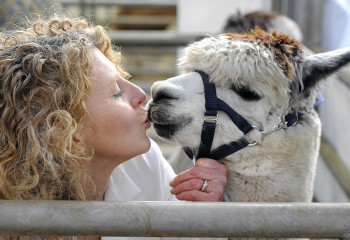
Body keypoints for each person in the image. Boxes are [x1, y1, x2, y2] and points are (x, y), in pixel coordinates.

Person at [0, 14, 227, 239]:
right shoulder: (17, 226)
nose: (140, 94)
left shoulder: (143, 164)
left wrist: (206, 214)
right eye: (116, 92)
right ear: (65, 135)